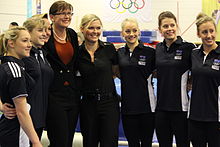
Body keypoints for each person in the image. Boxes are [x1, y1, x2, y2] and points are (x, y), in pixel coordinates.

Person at [155, 11, 196, 147]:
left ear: (176, 26)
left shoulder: (188, 48)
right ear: (160, 29)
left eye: (172, 25)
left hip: (181, 109)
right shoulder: (158, 49)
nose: (169, 29)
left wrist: (191, 81)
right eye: (165, 26)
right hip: (161, 108)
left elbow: (201, 69)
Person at [78, 14, 120, 147]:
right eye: (91, 28)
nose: (95, 32)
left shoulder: (109, 49)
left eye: (98, 28)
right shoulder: (77, 53)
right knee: (89, 142)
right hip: (88, 105)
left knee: (109, 143)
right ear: (82, 29)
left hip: (109, 104)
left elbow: (116, 72)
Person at [43, 1, 80, 147]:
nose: (67, 16)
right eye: (63, 13)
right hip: (53, 94)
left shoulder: (71, 34)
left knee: (68, 139)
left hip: (71, 93)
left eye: (69, 13)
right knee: (59, 140)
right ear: (52, 17)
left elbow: (74, 63)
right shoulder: (46, 34)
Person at [0, 26, 42, 147]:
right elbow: (22, 111)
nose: (29, 45)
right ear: (11, 43)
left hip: (15, 127)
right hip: (15, 129)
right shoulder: (14, 70)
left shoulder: (12, 66)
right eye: (24, 41)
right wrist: (36, 141)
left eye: (30, 41)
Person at [117, 18, 156, 147]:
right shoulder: (119, 53)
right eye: (127, 31)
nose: (131, 34)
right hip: (128, 108)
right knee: (133, 143)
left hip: (147, 107)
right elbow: (115, 72)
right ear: (122, 33)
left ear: (139, 31)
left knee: (146, 143)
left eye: (134, 30)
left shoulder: (150, 52)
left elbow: (162, 72)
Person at [189, 13, 220, 147]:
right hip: (195, 116)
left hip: (216, 116)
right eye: (204, 32)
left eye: (211, 31)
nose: (209, 35)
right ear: (198, 34)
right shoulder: (194, 53)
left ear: (216, 31)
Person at [23, 17, 54, 141]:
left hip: (39, 115)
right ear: (28, 32)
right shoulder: (23, 55)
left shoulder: (41, 54)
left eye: (46, 30)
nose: (45, 34)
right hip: (26, 116)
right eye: (40, 30)